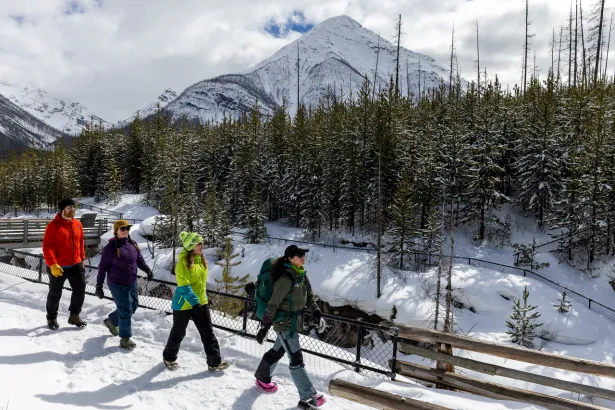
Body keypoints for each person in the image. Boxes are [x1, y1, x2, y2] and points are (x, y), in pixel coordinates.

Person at [254, 245, 326, 408]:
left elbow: (309, 298)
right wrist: (265, 326)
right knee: (296, 359)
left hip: (294, 324)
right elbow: (273, 303)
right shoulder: (286, 279)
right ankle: (308, 396)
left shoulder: (301, 275)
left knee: (278, 350)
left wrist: (317, 313)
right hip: (284, 324)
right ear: (289, 258)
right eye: (299, 255)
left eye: (303, 255)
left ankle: (262, 376)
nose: (303, 257)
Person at [162, 231, 229, 372]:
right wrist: (194, 303)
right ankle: (169, 357)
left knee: (207, 332)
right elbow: (184, 286)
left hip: (201, 302)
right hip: (184, 304)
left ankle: (214, 362)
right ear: (190, 246)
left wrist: (201, 301)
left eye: (201, 243)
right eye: (198, 244)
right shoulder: (182, 264)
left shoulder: (201, 261)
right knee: (179, 332)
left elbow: (201, 284)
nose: (201, 246)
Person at [95, 219, 153, 349]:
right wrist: (99, 286)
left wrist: (147, 269)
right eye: (123, 229)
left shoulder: (132, 244)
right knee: (126, 310)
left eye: (127, 228)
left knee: (134, 305)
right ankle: (125, 338)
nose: (126, 231)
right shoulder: (110, 248)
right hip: (117, 283)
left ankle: (112, 321)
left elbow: (139, 260)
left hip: (131, 281)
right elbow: (102, 267)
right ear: (116, 231)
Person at [42, 198, 87, 330]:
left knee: (80, 290)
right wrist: (52, 264)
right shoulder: (53, 226)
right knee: (55, 293)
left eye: (73, 207)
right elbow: (47, 246)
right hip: (58, 266)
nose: (72, 210)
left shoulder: (77, 224)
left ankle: (74, 315)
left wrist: (82, 259)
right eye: (69, 207)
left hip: (75, 264)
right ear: (62, 210)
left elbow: (81, 243)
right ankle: (51, 318)